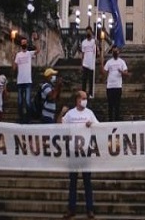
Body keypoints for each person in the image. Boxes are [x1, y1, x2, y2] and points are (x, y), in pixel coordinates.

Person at [59, 91, 98, 220]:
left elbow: (99, 125)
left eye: (86, 98)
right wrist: (62, 113)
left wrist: (91, 124)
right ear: (77, 99)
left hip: (86, 151)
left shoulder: (89, 113)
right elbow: (59, 124)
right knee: (73, 182)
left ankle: (90, 209)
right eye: (83, 98)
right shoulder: (70, 114)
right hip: (73, 151)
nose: (85, 100)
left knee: (87, 181)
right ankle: (71, 209)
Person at [13, 36, 39, 123]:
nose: (24, 44)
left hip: (28, 80)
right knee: (20, 101)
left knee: (27, 101)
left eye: (25, 43)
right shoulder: (18, 54)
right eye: (22, 43)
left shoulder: (29, 53)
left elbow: (38, 51)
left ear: (26, 44)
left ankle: (28, 118)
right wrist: (14, 63)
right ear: (21, 44)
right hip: (20, 80)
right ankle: (20, 118)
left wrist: (35, 41)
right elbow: (14, 66)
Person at [102, 45, 129, 121]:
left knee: (117, 104)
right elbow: (104, 72)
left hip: (118, 86)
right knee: (110, 104)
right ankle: (110, 119)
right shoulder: (109, 62)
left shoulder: (121, 62)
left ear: (119, 52)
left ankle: (117, 119)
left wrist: (122, 72)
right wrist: (101, 62)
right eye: (114, 51)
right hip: (110, 86)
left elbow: (127, 73)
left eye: (116, 51)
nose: (115, 52)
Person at [81, 26, 97, 97]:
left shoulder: (94, 42)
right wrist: (82, 63)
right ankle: (83, 92)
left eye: (89, 32)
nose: (88, 33)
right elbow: (83, 53)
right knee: (84, 79)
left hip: (92, 63)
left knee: (91, 80)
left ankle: (91, 93)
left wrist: (97, 44)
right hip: (85, 63)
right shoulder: (84, 42)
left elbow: (97, 51)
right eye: (87, 32)